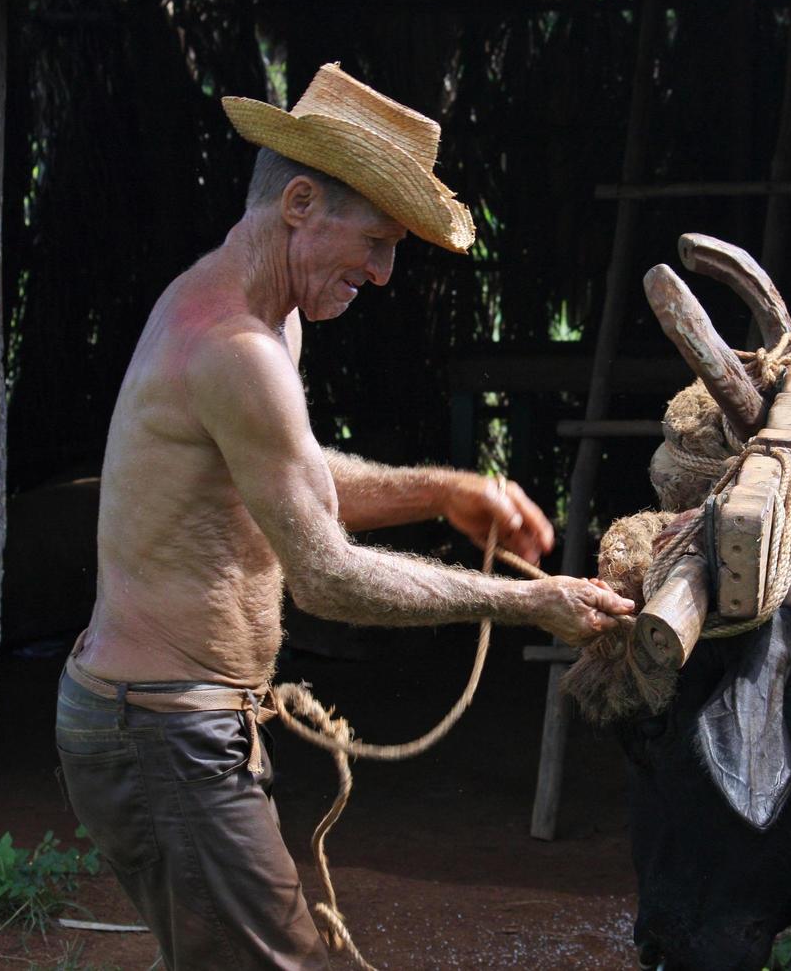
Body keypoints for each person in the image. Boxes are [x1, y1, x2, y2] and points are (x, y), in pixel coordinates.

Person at [54, 63, 634, 970]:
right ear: (297, 203)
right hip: (162, 728)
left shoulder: (264, 323)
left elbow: (288, 473)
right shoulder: (233, 346)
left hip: (167, 722)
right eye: (375, 242)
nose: (385, 272)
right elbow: (324, 576)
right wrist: (528, 603)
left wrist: (442, 492)